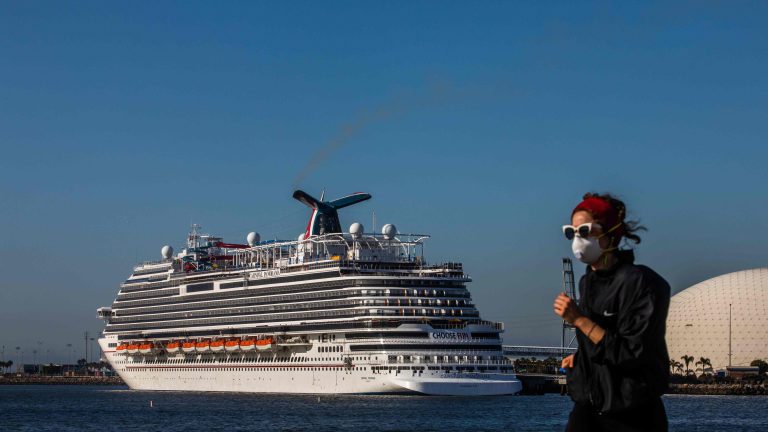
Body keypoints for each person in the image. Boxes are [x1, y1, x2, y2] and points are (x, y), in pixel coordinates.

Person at [554, 193, 671, 432]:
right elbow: (598, 340)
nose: (577, 239)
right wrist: (580, 359)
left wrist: (578, 319)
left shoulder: (642, 283)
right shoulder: (588, 282)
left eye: (585, 231)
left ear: (610, 234)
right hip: (589, 407)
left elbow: (631, 352)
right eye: (571, 232)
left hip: (632, 413)